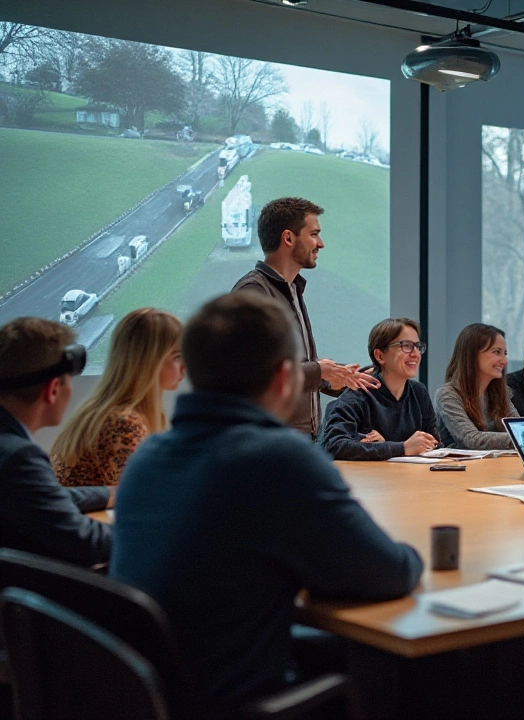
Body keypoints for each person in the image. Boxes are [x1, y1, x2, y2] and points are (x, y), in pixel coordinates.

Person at [110, 292, 423, 713]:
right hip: (235, 702)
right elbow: (388, 573)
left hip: (155, 693)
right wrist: (418, 553)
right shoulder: (276, 458)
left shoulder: (148, 457)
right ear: (284, 379)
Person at [232, 197, 378, 439]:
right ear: (288, 238)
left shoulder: (292, 290)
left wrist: (332, 378)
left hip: (294, 440)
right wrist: (319, 371)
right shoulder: (254, 293)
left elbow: (286, 370)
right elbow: (255, 373)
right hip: (267, 440)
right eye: (314, 234)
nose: (321, 243)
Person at [0, 318, 111, 567]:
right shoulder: (18, 457)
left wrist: (110, 494)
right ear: (52, 390)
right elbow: (87, 543)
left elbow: (42, 498)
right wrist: (158, 533)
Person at [51, 308, 184, 486]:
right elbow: (144, 495)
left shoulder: (109, 412)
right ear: (148, 361)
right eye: (177, 357)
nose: (184, 366)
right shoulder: (123, 422)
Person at [320, 318, 440, 461]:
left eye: (417, 346)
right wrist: (401, 448)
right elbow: (334, 445)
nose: (415, 354)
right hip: (367, 480)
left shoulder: (419, 392)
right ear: (380, 355)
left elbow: (435, 443)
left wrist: (389, 446)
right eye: (406, 346)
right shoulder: (359, 393)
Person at [434, 323, 518, 450]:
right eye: (497, 352)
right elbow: (470, 439)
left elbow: (518, 428)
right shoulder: (448, 395)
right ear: (471, 354)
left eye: (505, 353)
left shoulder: (501, 392)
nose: (504, 360)